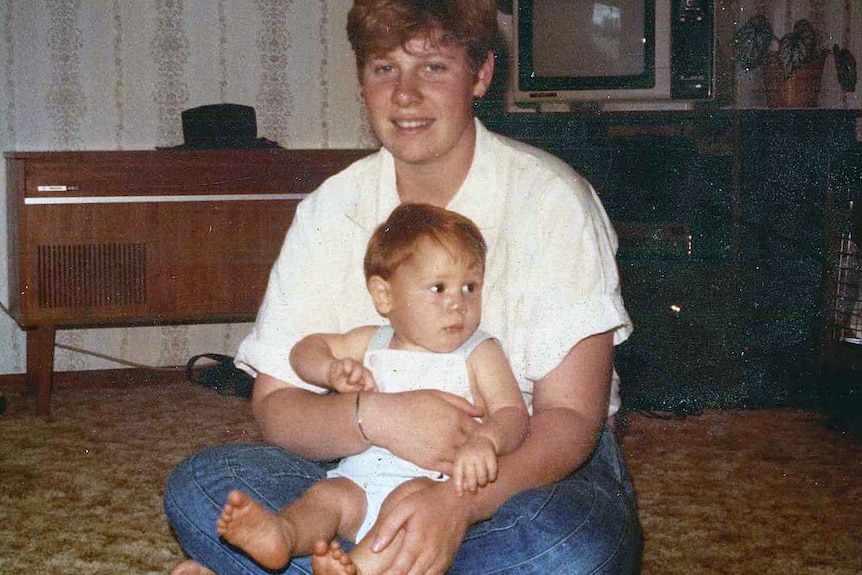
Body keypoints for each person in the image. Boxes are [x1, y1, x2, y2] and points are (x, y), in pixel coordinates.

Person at [164, 0, 643, 573]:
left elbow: (568, 420)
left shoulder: (552, 199)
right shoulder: (330, 210)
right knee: (204, 485)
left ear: (481, 74)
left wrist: (456, 507)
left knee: (568, 552)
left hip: (525, 470)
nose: (405, 94)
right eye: (384, 68)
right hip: (360, 468)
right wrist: (375, 418)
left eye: (434, 67)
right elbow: (276, 407)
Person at [215, 203, 529, 574]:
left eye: (469, 287)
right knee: (325, 497)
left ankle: (358, 569)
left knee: (404, 502)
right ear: (384, 296)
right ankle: (281, 535)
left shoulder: (479, 351)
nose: (457, 304)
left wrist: (487, 441)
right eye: (438, 287)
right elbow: (304, 351)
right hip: (359, 482)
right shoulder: (372, 342)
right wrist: (330, 370)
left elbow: (513, 414)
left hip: (430, 491)